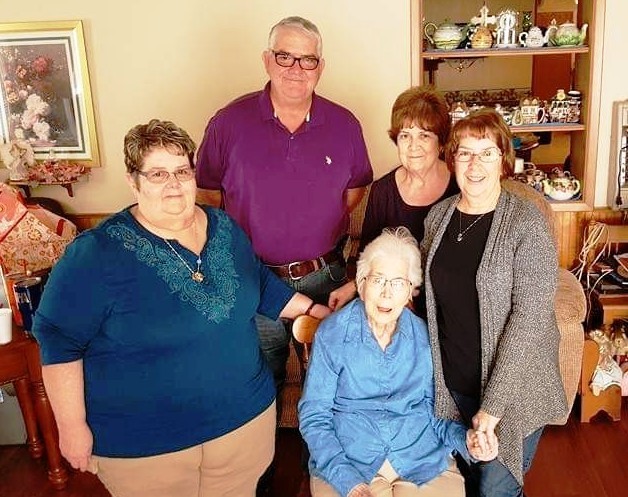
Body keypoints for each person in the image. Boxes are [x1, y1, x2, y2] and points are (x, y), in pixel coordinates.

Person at [32, 119, 330, 497]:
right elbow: (58, 339)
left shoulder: (224, 227)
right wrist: (71, 426)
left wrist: (316, 312)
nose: (173, 184)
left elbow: (257, 282)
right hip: (146, 447)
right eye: (157, 174)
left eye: (182, 171)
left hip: (244, 424)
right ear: (133, 181)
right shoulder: (96, 253)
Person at [194, 16, 373, 401]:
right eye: (284, 56)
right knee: (259, 385)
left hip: (325, 278)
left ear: (320, 67)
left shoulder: (345, 124)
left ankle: (319, 446)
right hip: (254, 279)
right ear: (266, 60)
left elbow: (355, 190)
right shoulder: (228, 123)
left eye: (308, 59)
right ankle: (265, 445)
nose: (296, 69)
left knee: (331, 387)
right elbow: (208, 193)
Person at [421, 108, 568, 497]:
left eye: (487, 153)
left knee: (495, 489)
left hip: (515, 390)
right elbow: (421, 289)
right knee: (470, 481)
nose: (475, 164)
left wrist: (493, 408)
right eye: (465, 153)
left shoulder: (526, 223)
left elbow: (530, 319)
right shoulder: (438, 218)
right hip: (455, 383)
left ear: (504, 160)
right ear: (452, 159)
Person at [299, 227, 497, 497]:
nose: (386, 293)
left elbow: (437, 413)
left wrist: (467, 440)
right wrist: (347, 480)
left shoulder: (424, 337)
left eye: (398, 283)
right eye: (378, 280)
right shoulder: (332, 334)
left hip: (420, 458)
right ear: (361, 285)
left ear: (410, 292)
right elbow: (315, 416)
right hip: (351, 460)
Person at [329, 86, 458, 312]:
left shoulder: (460, 186)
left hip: (451, 302)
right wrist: (353, 286)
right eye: (405, 136)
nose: (413, 146)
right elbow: (368, 257)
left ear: (441, 142)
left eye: (424, 135)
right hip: (398, 305)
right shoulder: (382, 191)